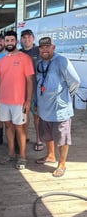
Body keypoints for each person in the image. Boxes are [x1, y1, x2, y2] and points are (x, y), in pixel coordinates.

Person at [35, 37, 80, 177]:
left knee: (62, 137)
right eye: (42, 47)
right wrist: (36, 103)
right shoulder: (39, 63)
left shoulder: (61, 61)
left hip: (60, 109)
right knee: (47, 134)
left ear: (53, 47)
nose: (45, 49)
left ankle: (62, 163)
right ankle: (50, 155)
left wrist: (65, 97)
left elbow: (75, 81)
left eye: (48, 47)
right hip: (44, 108)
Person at [0, 30, 34, 170]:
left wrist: (28, 100)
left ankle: (22, 156)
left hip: (19, 101)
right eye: (7, 41)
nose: (9, 43)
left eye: (12, 40)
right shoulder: (1, 60)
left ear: (16, 41)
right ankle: (11, 153)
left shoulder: (25, 58)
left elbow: (29, 80)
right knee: (8, 126)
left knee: (19, 128)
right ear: (4, 42)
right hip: (4, 101)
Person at [20, 29, 43, 151]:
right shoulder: (19, 52)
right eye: (24, 37)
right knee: (24, 116)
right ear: (21, 40)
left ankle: (39, 139)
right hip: (22, 90)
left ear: (33, 38)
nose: (26, 39)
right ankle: (24, 137)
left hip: (37, 90)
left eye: (29, 37)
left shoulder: (39, 51)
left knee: (37, 116)